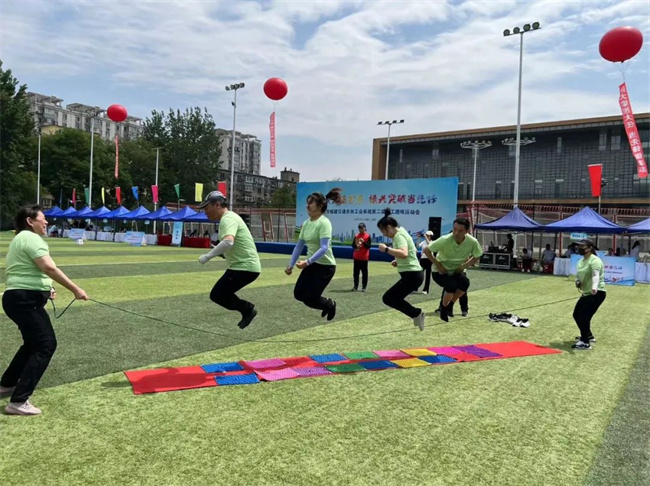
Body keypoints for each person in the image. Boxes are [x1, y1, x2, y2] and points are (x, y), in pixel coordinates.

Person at [1, 205, 89, 416]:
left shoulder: (21, 238)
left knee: (32, 344)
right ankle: (18, 401)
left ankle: (6, 384)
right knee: (46, 344)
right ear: (30, 221)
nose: (47, 222)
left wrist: (46, 288)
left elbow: (27, 270)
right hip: (24, 300)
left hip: (18, 298)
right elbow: (48, 267)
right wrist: (76, 289)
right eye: (43, 218)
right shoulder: (31, 238)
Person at [197, 191, 261, 330]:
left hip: (244, 267)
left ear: (217, 205)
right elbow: (233, 245)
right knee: (219, 294)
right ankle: (247, 310)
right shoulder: (228, 218)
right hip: (244, 267)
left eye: (206, 208)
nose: (205, 212)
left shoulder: (228, 219)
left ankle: (248, 309)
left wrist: (207, 256)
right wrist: (223, 254)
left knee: (217, 294)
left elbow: (228, 242)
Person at [286, 189, 342, 320]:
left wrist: (307, 262)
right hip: (312, 265)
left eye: (311, 203)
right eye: (307, 203)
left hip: (325, 267)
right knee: (299, 294)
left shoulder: (324, 223)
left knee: (310, 298)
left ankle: (329, 304)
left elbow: (324, 248)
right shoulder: (306, 224)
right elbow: (299, 246)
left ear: (320, 206)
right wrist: (290, 265)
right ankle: (326, 305)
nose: (308, 206)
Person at [423, 217, 482, 322]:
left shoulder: (472, 242)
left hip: (457, 270)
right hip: (440, 271)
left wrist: (464, 266)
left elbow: (477, 256)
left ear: (467, 231)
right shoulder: (445, 239)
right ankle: (443, 308)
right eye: (454, 229)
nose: (456, 233)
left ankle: (450, 306)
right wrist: (438, 265)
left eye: (460, 230)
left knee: (465, 283)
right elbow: (426, 250)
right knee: (451, 286)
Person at [376, 209, 425, 331]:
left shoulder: (399, 236)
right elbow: (412, 252)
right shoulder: (402, 233)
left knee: (388, 298)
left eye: (383, 231)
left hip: (412, 275)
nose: (384, 235)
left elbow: (404, 253)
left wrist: (386, 249)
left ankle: (416, 313)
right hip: (413, 275)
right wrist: (398, 261)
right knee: (392, 298)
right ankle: (416, 313)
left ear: (389, 227)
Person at [572, 239, 606, 350]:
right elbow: (579, 276)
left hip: (597, 292)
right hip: (586, 293)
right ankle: (588, 335)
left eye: (582, 246)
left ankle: (585, 342)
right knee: (577, 315)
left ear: (590, 248)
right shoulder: (580, 262)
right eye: (578, 246)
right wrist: (578, 282)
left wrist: (594, 286)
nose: (579, 248)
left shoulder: (595, 260)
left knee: (584, 316)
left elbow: (596, 275)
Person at [351, 222, 371, 292]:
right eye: (359, 228)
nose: (361, 229)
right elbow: (353, 245)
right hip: (356, 257)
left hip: (364, 258)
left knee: (364, 273)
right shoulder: (356, 236)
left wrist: (363, 242)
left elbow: (368, 246)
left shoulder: (367, 236)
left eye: (362, 228)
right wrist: (356, 246)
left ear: (365, 228)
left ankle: (364, 287)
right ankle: (355, 286)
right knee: (356, 273)